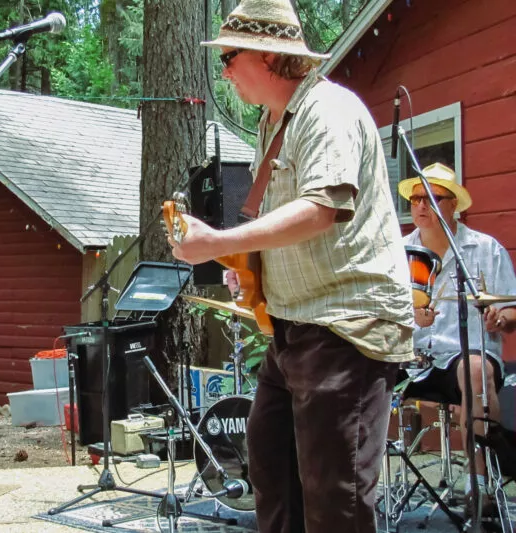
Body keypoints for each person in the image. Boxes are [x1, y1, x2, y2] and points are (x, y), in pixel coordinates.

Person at [170, 1, 415, 531]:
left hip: (345, 325)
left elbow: (321, 209)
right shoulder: (273, 123)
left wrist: (219, 243)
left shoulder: (328, 110)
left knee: (336, 500)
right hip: (293, 327)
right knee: (273, 473)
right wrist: (249, 265)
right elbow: (285, 220)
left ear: (266, 54)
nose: (224, 71)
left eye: (230, 57)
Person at [397, 163, 516, 513]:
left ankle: (481, 487)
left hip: (467, 355)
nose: (422, 205)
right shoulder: (397, 251)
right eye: (417, 198)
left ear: (455, 205)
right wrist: (409, 316)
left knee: (477, 371)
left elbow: (511, 309)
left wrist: (500, 319)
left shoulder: (485, 249)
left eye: (433, 198)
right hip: (412, 355)